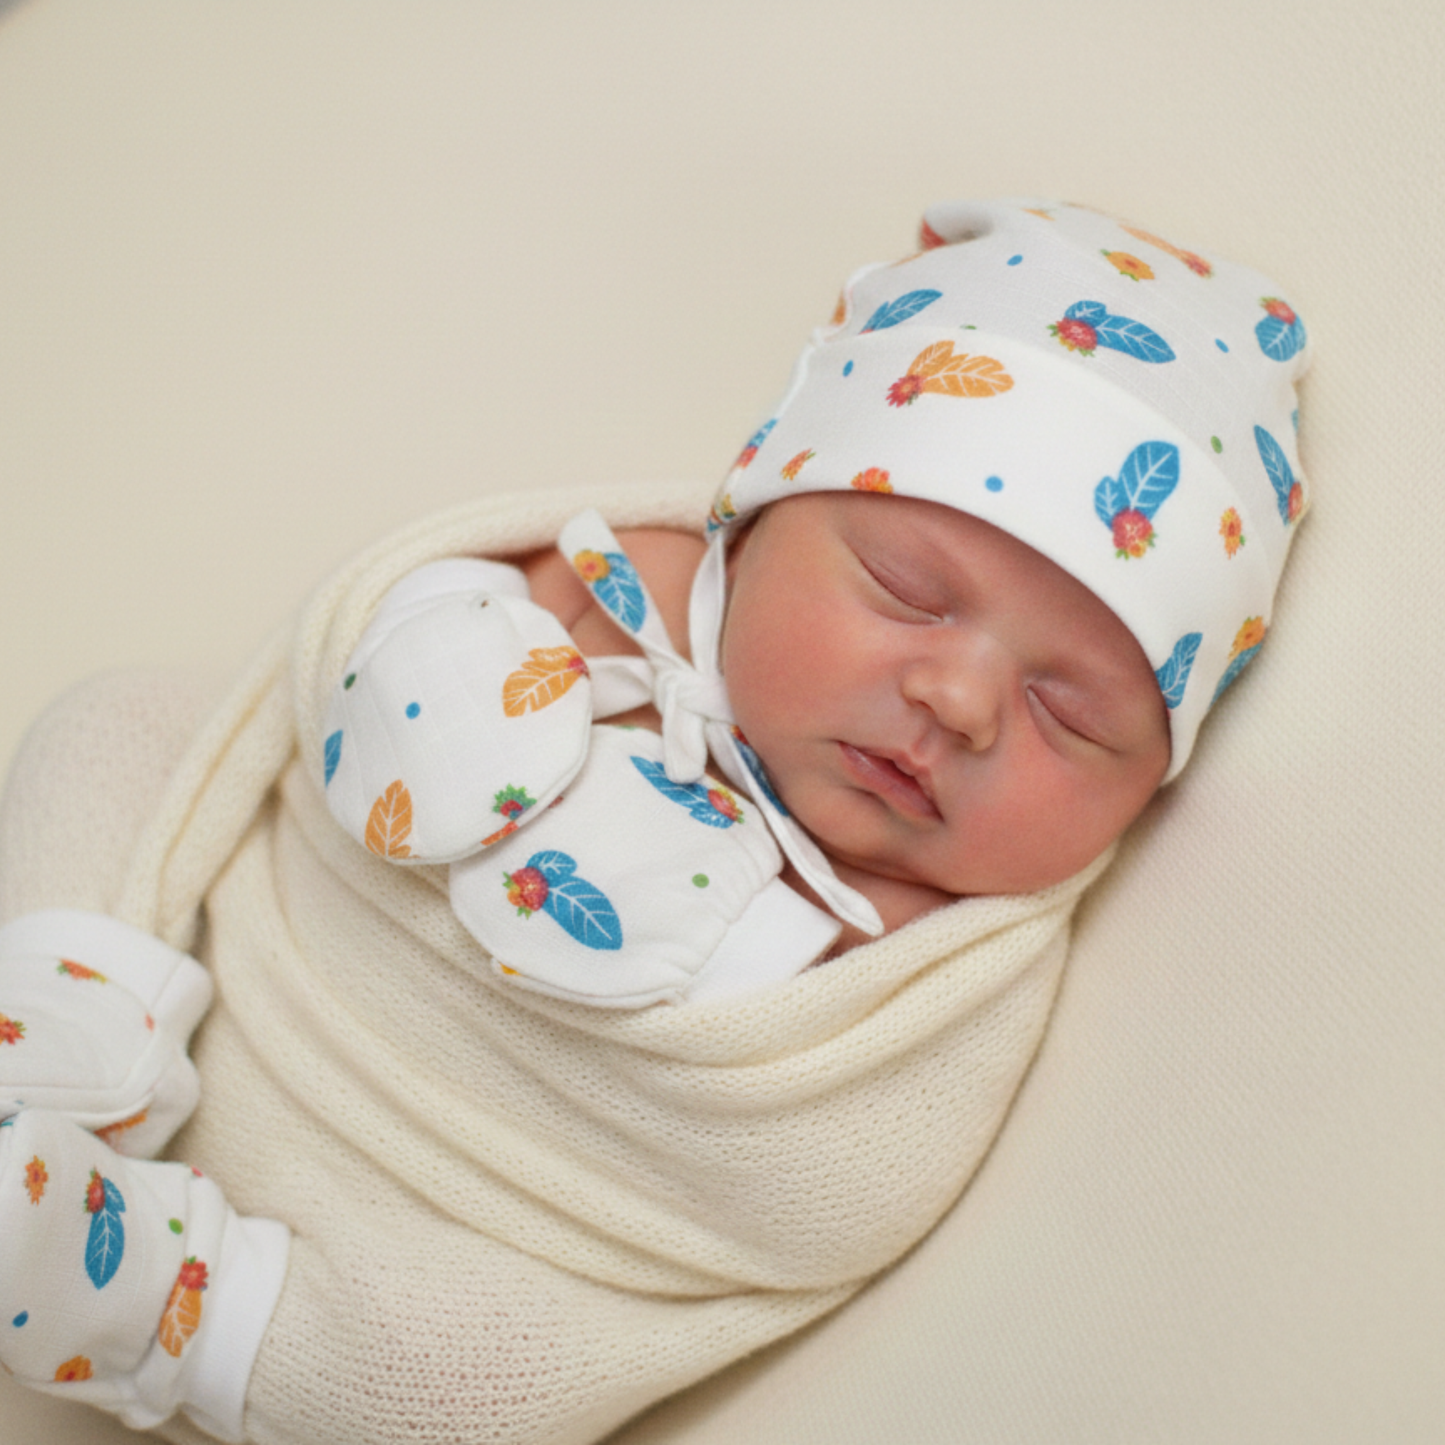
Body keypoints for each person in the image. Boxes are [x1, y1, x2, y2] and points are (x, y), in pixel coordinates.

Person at [0, 198, 1310, 1443]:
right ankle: (67, 1025)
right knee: (124, 729)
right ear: (759, 514)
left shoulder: (932, 962)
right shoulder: (620, 577)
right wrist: (445, 665)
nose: (960, 702)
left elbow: (834, 1194)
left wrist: (735, 997)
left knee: (472, 1398)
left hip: (458, 1236)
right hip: (240, 960)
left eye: (1067, 714)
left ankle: (155, 1294)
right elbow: (341, 652)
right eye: (909, 590)